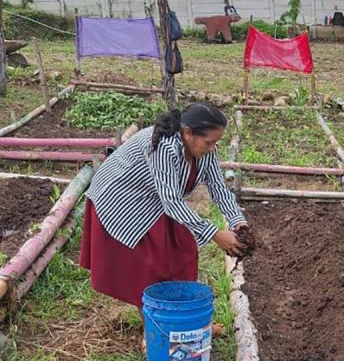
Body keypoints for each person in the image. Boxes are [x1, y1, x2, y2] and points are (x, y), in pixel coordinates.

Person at [79, 103, 246, 349]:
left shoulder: (205, 150)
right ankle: (153, 332)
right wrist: (215, 233)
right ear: (188, 133)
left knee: (182, 254)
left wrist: (237, 221)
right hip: (123, 198)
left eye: (216, 142)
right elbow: (170, 201)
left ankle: (184, 322)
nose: (213, 148)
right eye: (209, 142)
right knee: (149, 268)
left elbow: (219, 189)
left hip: (155, 199)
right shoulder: (165, 147)